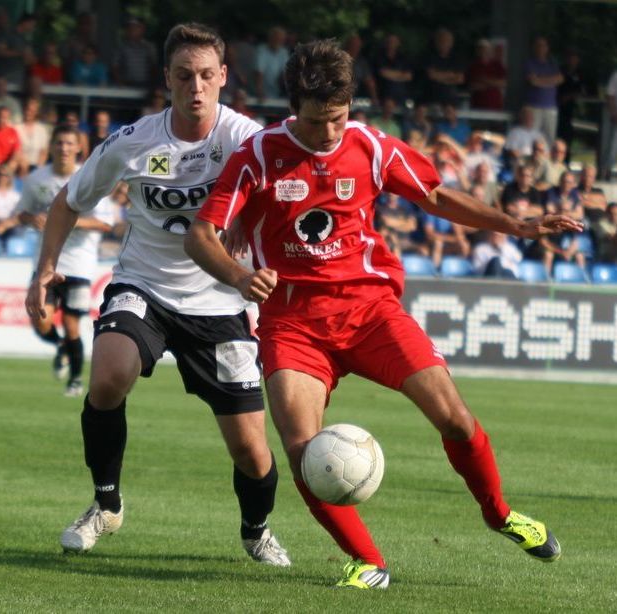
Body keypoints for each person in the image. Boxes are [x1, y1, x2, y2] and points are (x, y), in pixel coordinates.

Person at [186, 39, 579, 589]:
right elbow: (200, 235)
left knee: (454, 418)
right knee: (303, 452)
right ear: (293, 107)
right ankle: (367, 561)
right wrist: (237, 275)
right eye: (317, 120)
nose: (329, 132)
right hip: (293, 324)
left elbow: (435, 196)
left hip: (370, 311)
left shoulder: (369, 146)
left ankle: (499, 513)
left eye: (339, 117)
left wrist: (514, 225)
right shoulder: (258, 155)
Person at [25, 23, 290, 567]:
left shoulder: (248, 140)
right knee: (107, 377)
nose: (196, 86)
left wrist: (252, 219)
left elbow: (287, 196)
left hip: (220, 300)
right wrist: (44, 270)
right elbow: (68, 201)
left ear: (224, 77)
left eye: (207, 75)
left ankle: (256, 530)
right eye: (184, 75)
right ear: (167, 78)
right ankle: (106, 505)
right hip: (143, 284)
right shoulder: (134, 141)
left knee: (250, 449)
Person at [12, 125, 112, 396]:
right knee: (40, 320)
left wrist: (67, 220)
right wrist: (31, 218)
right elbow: (20, 213)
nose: (64, 148)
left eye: (70, 143)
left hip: (79, 264)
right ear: (51, 146)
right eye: (59, 143)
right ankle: (61, 347)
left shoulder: (90, 177)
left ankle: (76, 380)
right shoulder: (36, 179)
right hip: (46, 262)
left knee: (71, 325)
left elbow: (106, 223)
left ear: (78, 148)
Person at [524, 36, 563, 144]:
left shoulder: (552, 64)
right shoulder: (529, 63)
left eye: (543, 45)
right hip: (534, 107)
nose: (541, 47)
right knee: (531, 138)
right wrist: (551, 81)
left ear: (547, 48)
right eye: (538, 45)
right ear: (534, 47)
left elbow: (560, 79)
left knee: (549, 139)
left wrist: (540, 80)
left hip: (550, 107)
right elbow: (533, 81)